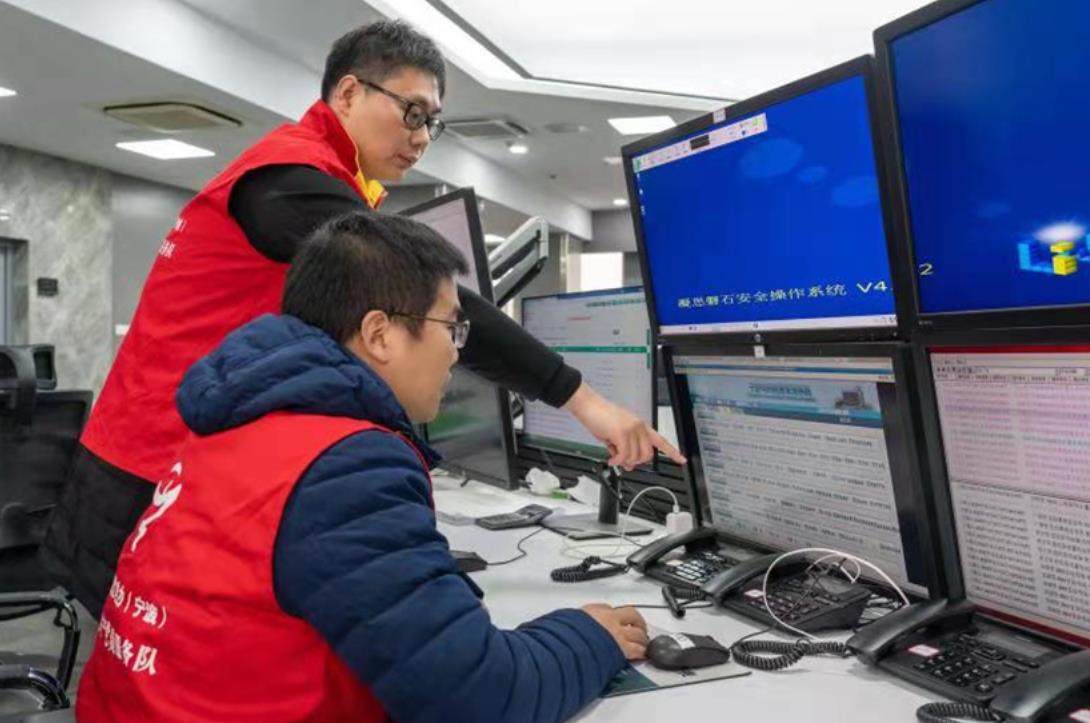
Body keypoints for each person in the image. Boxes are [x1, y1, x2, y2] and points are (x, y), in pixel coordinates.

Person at [42, 20, 682, 618]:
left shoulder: (306, 175)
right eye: (412, 112)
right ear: (348, 93)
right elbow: (432, 303)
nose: (422, 137)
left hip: (161, 456)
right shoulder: (287, 178)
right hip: (148, 467)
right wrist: (584, 401)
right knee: (158, 670)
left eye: (433, 123)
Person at [75, 212, 650, 722]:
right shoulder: (345, 462)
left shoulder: (236, 424)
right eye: (452, 328)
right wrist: (588, 635)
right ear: (379, 335)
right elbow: (480, 699)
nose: (457, 352)